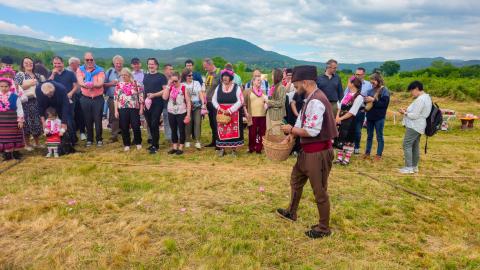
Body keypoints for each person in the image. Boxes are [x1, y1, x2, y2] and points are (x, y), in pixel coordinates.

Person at [277, 65, 338, 239]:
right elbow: (301, 121)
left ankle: (324, 228)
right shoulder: (310, 98)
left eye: (296, 86)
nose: (295, 90)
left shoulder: (317, 100)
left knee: (319, 190)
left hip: (318, 153)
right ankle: (291, 212)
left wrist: (291, 129)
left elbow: (312, 131)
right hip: (307, 151)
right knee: (296, 179)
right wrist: (292, 135)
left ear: (305, 82)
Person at [398, 81, 432, 174]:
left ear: (416, 89)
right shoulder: (427, 97)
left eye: (412, 91)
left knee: (407, 144)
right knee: (414, 145)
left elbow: (415, 115)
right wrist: (407, 111)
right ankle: (414, 166)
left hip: (414, 125)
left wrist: (404, 112)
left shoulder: (420, 99)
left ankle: (408, 167)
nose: (411, 93)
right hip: (419, 125)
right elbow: (418, 112)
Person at [14, 57, 45, 151]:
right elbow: (16, 87)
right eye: (26, 63)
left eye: (30, 62)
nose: (29, 64)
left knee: (36, 122)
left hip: (37, 102)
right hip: (25, 102)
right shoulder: (20, 74)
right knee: (27, 123)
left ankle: (37, 143)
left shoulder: (38, 75)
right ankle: (26, 144)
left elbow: (43, 87)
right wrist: (29, 84)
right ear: (22, 64)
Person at [212, 69, 244, 157]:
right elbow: (213, 100)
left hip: (234, 113)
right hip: (221, 113)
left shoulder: (236, 87)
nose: (225, 78)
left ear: (230, 77)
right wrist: (219, 108)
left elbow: (241, 101)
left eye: (227, 76)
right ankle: (222, 149)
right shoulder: (218, 87)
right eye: (223, 76)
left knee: (233, 132)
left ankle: (234, 150)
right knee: (222, 131)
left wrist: (230, 110)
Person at [76, 52, 105, 147]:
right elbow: (80, 82)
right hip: (85, 98)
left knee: (98, 119)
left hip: (98, 98)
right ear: (84, 60)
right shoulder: (80, 70)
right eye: (87, 60)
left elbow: (100, 83)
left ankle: (99, 139)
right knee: (87, 119)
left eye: (91, 59)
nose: (89, 61)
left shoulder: (100, 70)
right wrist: (86, 85)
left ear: (94, 60)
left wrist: (91, 84)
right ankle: (89, 139)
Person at [334, 76, 364, 166]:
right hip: (341, 118)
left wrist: (340, 118)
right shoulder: (347, 94)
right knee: (341, 137)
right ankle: (339, 158)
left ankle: (346, 159)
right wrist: (337, 116)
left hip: (351, 120)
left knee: (349, 138)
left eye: (349, 82)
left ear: (352, 84)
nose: (347, 83)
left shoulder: (359, 97)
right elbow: (340, 106)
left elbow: (352, 112)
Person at [48, 56, 78, 143]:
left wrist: (71, 93)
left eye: (59, 63)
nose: (57, 65)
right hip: (55, 101)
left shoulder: (70, 73)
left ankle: (72, 139)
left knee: (69, 119)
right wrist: (53, 74)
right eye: (55, 63)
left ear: (63, 63)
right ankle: (61, 138)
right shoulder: (50, 73)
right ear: (53, 64)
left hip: (69, 100)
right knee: (57, 120)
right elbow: (47, 84)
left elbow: (76, 85)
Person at [114, 68, 144, 151]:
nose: (123, 77)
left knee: (136, 126)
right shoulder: (119, 85)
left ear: (129, 75)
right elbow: (116, 99)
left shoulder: (136, 84)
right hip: (122, 108)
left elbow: (141, 97)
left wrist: (141, 108)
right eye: (122, 75)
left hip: (134, 108)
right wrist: (116, 110)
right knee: (124, 127)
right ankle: (126, 144)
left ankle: (138, 142)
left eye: (125, 75)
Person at [163, 71, 191, 155]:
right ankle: (174, 147)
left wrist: (188, 115)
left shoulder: (184, 88)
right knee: (173, 129)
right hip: (171, 111)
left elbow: (188, 102)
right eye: (172, 81)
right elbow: (164, 97)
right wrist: (168, 85)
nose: (174, 83)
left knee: (181, 130)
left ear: (180, 80)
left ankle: (181, 147)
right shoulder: (170, 87)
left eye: (176, 81)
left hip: (181, 112)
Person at [143, 58, 167, 154]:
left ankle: (155, 146)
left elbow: (165, 90)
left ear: (156, 65)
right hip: (147, 104)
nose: (150, 66)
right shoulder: (146, 76)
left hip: (157, 103)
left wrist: (154, 95)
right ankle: (153, 143)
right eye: (149, 64)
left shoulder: (161, 76)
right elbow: (144, 90)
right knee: (150, 124)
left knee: (154, 123)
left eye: (152, 64)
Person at [364, 73, 390, 160]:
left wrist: (373, 100)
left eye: (373, 80)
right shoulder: (370, 91)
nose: (372, 82)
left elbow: (384, 104)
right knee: (369, 136)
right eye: (371, 81)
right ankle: (367, 153)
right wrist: (366, 101)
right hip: (370, 116)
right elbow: (367, 104)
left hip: (379, 117)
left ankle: (378, 155)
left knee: (379, 136)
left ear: (378, 80)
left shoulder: (384, 90)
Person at [348, 67, 373, 154]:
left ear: (363, 75)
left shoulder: (369, 85)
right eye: (356, 74)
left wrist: (366, 100)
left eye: (359, 74)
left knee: (358, 131)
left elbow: (371, 96)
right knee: (350, 129)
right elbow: (345, 95)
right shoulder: (351, 83)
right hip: (350, 109)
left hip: (360, 110)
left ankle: (357, 147)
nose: (357, 76)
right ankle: (349, 146)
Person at [0, 77, 24, 160]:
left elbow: (20, 109)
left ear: (9, 86)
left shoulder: (15, 96)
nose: (4, 88)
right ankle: (7, 154)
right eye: (1, 86)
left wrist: (20, 121)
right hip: (2, 122)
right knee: (4, 138)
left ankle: (16, 153)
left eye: (6, 86)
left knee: (14, 137)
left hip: (13, 121)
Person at [182, 68, 205, 150]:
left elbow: (200, 93)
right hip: (187, 106)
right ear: (185, 76)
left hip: (197, 105)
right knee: (188, 123)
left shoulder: (197, 83)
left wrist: (203, 103)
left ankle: (197, 141)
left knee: (197, 122)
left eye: (192, 75)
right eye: (189, 75)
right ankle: (187, 140)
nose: (191, 77)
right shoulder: (182, 84)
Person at [244, 76, 267, 154]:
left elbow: (266, 102)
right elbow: (244, 104)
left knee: (261, 132)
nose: (259, 82)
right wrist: (246, 113)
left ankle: (259, 148)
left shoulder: (263, 92)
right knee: (252, 133)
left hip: (262, 115)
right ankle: (251, 148)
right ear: (253, 81)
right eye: (258, 80)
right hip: (252, 115)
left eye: (260, 81)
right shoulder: (248, 91)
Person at [104, 55, 123, 142]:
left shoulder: (125, 72)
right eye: (117, 63)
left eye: (120, 63)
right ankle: (114, 135)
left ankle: (123, 131)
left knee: (124, 116)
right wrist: (112, 84)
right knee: (114, 116)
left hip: (123, 98)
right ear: (114, 63)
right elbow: (104, 84)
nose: (118, 65)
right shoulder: (109, 72)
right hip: (112, 98)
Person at [203, 58, 221, 148]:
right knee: (211, 123)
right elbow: (206, 88)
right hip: (208, 102)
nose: (205, 69)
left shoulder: (219, 73)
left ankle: (219, 142)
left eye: (206, 67)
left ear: (211, 65)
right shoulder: (207, 74)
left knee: (216, 122)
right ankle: (213, 141)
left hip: (216, 102)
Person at [67, 57, 86, 141]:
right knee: (71, 115)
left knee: (81, 113)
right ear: (72, 64)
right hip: (71, 96)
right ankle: (73, 133)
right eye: (78, 64)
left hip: (80, 94)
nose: (79, 65)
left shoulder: (80, 71)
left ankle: (82, 132)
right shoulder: (66, 72)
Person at [162, 64, 174, 142]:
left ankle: (175, 136)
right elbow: (165, 90)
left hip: (174, 103)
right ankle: (168, 137)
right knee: (167, 120)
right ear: (165, 70)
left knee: (174, 120)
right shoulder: (163, 78)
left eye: (172, 69)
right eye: (170, 69)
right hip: (165, 103)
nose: (172, 71)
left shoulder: (173, 79)